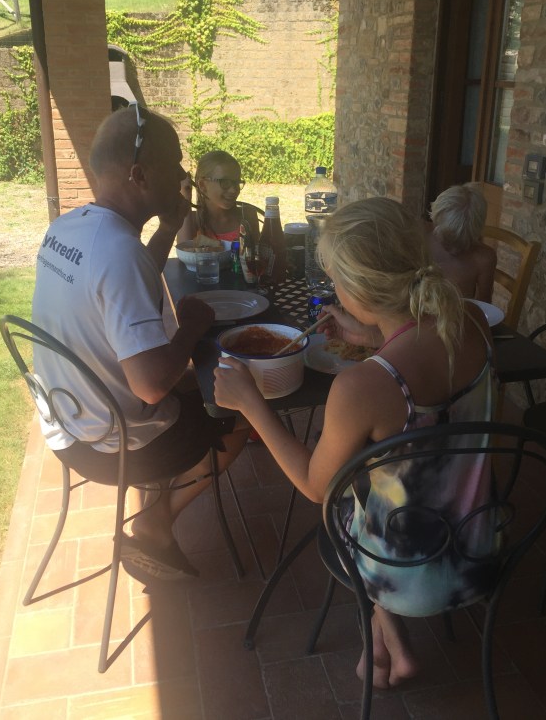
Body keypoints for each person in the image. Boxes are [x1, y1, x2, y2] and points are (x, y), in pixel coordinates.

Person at [214, 197, 496, 689]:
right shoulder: (470, 322)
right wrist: (374, 335)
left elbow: (313, 485)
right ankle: (388, 647)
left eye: (337, 281)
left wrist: (251, 405)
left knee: (339, 501)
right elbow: (421, 358)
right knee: (370, 487)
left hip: (404, 575)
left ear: (360, 290)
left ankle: (384, 639)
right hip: (478, 548)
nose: (335, 291)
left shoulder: (363, 386)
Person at [32, 104, 247, 581]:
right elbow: (150, 386)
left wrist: (169, 227)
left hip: (66, 421)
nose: (183, 177)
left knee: (194, 382)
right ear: (139, 174)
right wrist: (191, 323)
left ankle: (156, 504)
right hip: (113, 445)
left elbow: (121, 285)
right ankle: (156, 519)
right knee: (240, 410)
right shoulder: (119, 251)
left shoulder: (70, 227)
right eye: (175, 166)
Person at [427, 183, 496, 302]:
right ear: (434, 222)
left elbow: (484, 305)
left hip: (458, 317)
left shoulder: (484, 259)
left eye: (462, 242)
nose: (454, 250)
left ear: (477, 234)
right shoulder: (422, 238)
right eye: (447, 239)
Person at [177, 149, 260, 244]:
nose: (233, 190)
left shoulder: (247, 216)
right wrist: (186, 197)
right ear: (203, 185)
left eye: (236, 182)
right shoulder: (192, 220)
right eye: (225, 182)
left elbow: (257, 255)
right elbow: (184, 249)